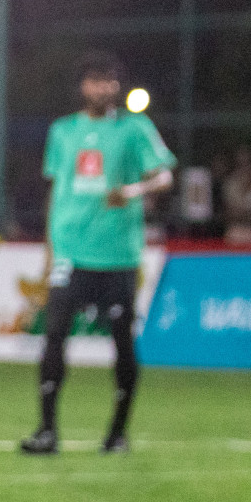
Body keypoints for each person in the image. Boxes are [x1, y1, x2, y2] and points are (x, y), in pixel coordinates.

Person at [20, 51, 175, 456]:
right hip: (71, 249)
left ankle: (118, 432)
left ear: (117, 87)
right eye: (92, 80)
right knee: (53, 335)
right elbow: (57, 189)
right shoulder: (63, 131)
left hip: (117, 254)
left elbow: (164, 176)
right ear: (82, 86)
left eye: (107, 80)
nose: (99, 87)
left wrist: (132, 191)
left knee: (122, 340)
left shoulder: (134, 128)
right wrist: (49, 249)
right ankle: (47, 430)